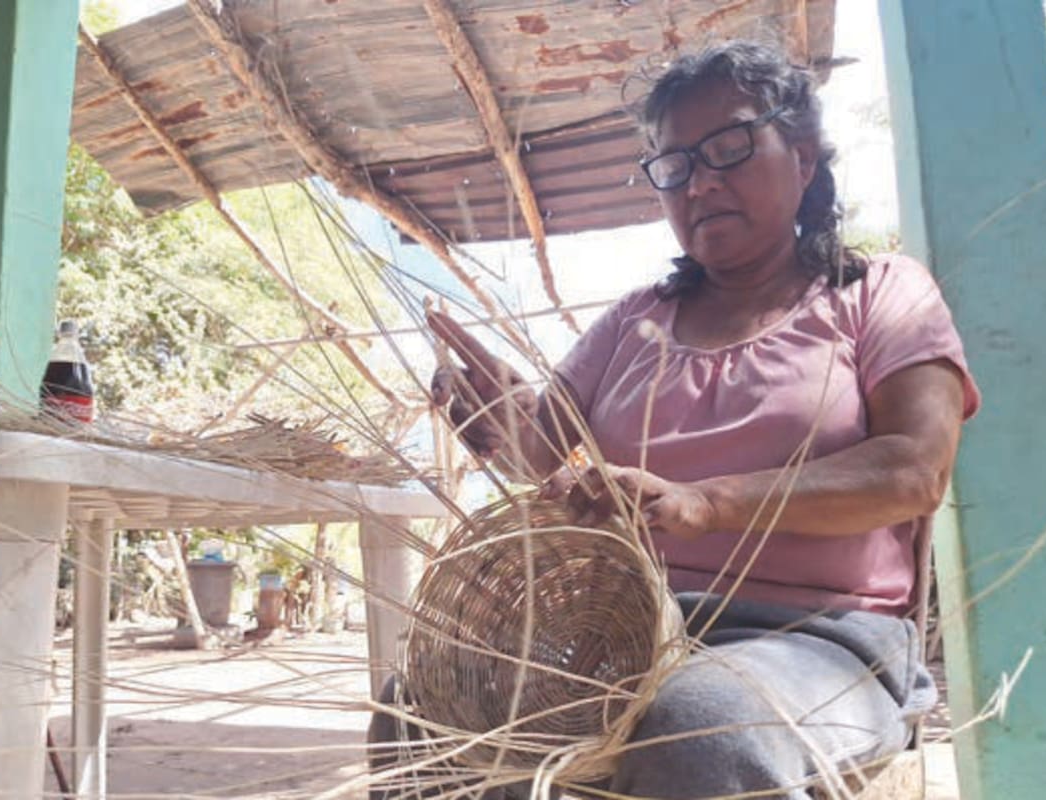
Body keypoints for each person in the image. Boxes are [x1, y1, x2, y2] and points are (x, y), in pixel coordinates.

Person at [372, 40, 981, 799]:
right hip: (626, 632)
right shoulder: (635, 321)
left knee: (700, 722)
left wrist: (706, 501)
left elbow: (915, 470)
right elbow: (551, 456)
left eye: (727, 146)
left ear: (803, 154)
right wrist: (499, 418)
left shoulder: (875, 293)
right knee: (419, 707)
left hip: (820, 641)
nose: (699, 183)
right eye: (674, 165)